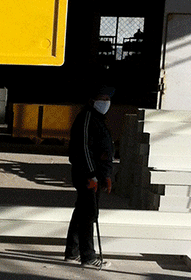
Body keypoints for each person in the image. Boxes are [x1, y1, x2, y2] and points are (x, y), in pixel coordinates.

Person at [64, 85, 115, 269]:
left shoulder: (98, 119)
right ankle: (88, 256)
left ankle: (72, 253)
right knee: (88, 214)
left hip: (95, 175)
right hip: (86, 175)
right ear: (92, 101)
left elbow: (104, 151)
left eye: (108, 99)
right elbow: (84, 149)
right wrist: (92, 175)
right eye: (102, 99)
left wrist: (105, 175)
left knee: (81, 212)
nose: (106, 103)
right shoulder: (87, 118)